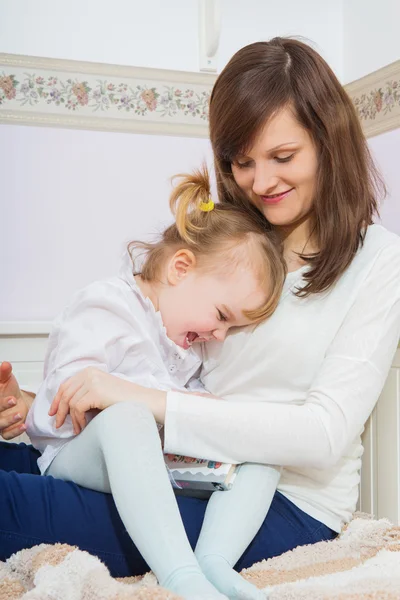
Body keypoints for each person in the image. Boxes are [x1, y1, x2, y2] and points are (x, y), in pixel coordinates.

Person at [1, 34, 399, 588]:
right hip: (178, 464)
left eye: (284, 157)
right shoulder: (235, 244)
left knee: (16, 506)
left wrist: (141, 402)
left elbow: (323, 434)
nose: (261, 182)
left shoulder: (377, 260)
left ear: (329, 142)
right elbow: (150, 351)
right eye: (241, 162)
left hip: (278, 495)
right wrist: (39, 402)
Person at [23, 167, 284, 600]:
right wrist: (148, 404)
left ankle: (213, 562)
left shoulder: (191, 344)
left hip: (157, 462)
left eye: (231, 329)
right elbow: (71, 396)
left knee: (262, 453)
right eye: (221, 316)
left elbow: (189, 408)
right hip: (77, 452)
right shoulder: (107, 304)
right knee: (128, 417)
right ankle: (181, 576)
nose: (219, 336)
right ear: (181, 268)